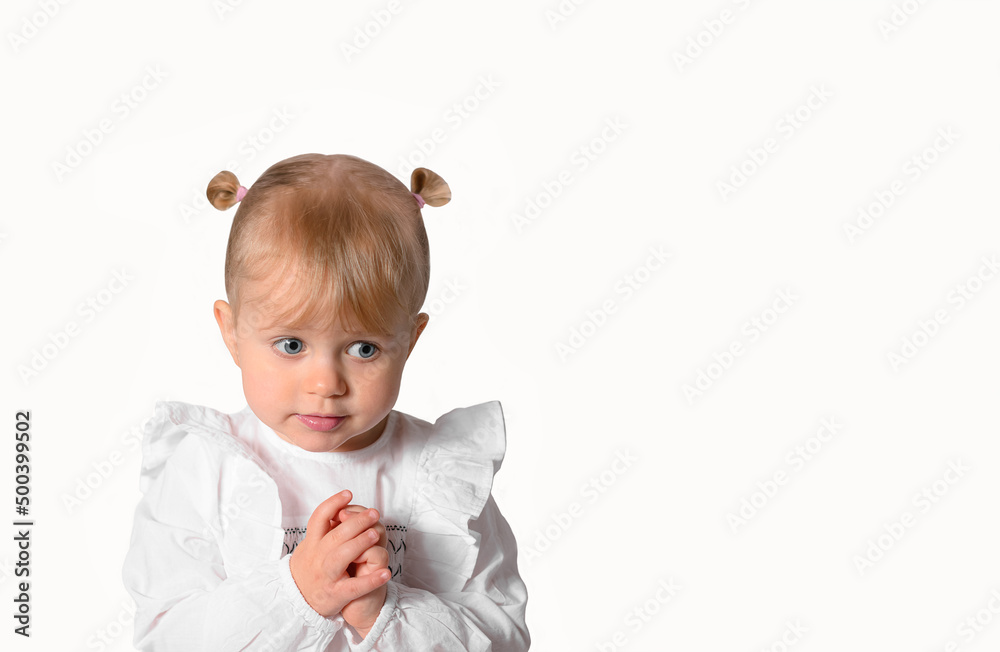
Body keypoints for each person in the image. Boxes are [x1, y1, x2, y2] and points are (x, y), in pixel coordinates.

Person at [121, 153, 530, 650]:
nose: (326, 384)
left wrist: (383, 611)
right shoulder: (205, 467)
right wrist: (298, 593)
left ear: (410, 340)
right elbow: (165, 637)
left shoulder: (444, 473)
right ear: (231, 332)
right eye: (291, 344)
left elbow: (502, 638)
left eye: (364, 349)